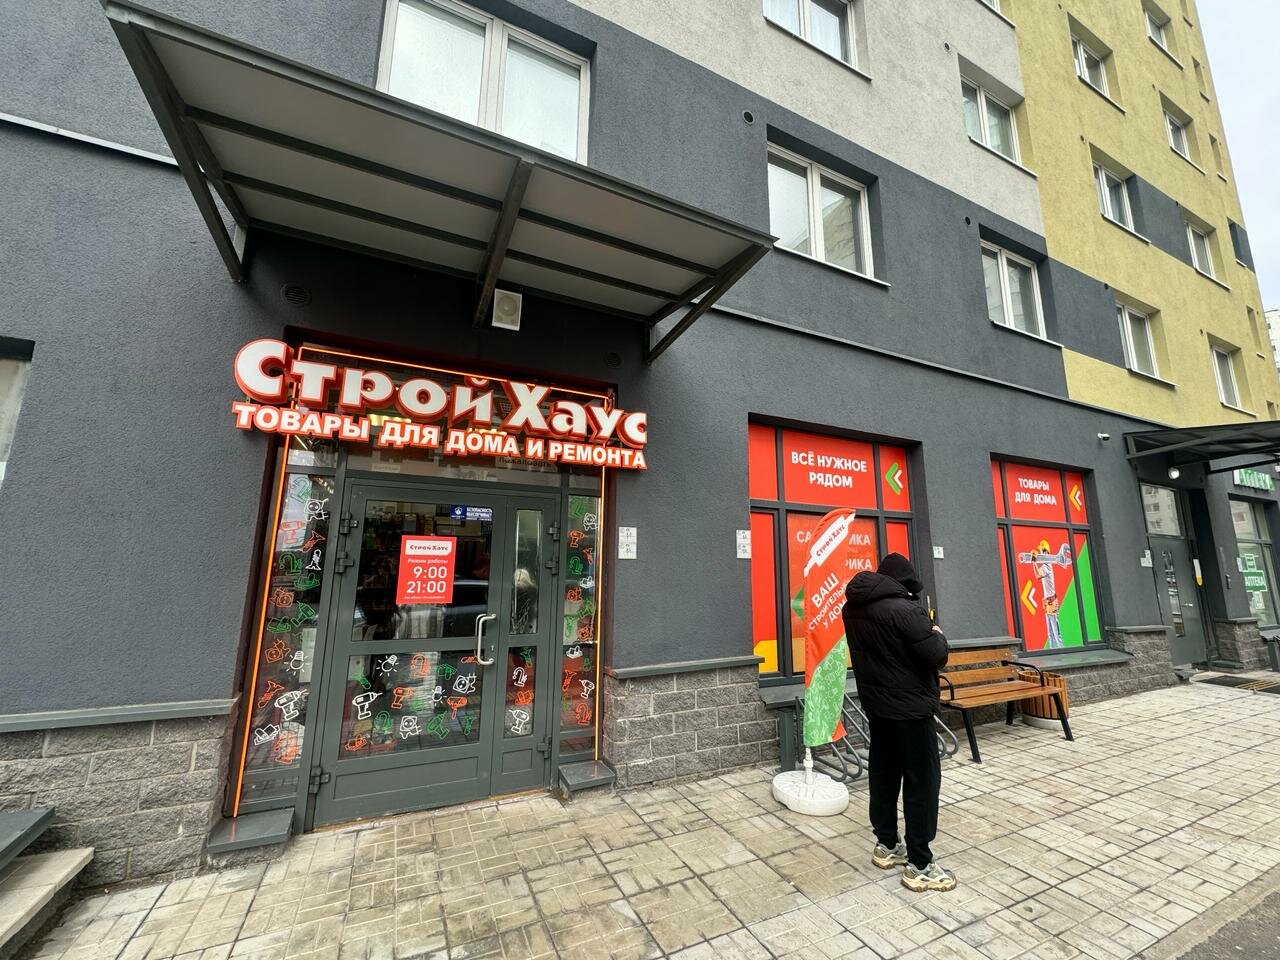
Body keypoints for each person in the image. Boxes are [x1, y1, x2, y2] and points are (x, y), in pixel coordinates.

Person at [842, 552, 955, 892]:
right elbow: (936, 655)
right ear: (905, 584)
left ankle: (887, 843)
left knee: (884, 774)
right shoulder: (906, 611)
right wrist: (937, 633)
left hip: (878, 707)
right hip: (911, 710)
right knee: (922, 782)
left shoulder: (852, 609)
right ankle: (920, 863)